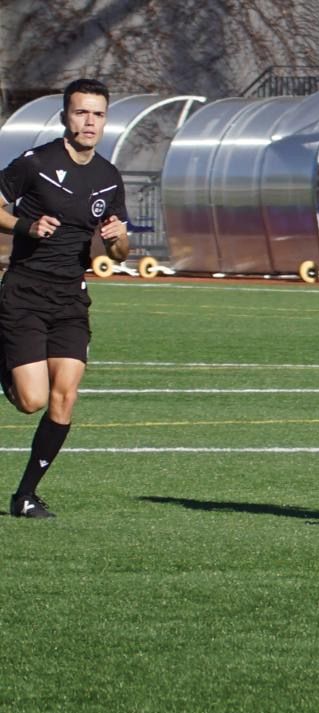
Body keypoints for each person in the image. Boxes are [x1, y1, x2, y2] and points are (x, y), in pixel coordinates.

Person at [0, 78, 128, 520]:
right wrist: (24, 226)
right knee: (30, 401)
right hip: (25, 292)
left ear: (105, 120)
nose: (88, 121)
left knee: (64, 397)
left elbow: (121, 250)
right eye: (80, 112)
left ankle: (26, 496)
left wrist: (117, 240)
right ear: (64, 117)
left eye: (97, 114)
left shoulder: (109, 177)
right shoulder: (35, 163)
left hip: (71, 299)